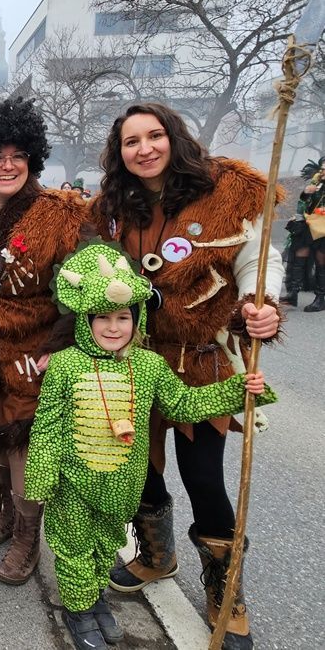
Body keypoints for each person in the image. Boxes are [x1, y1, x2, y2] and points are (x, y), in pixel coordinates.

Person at [90, 103, 284, 649]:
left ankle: (226, 594)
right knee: (139, 471)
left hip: (203, 359)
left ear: (174, 138)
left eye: (154, 136)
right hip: (134, 362)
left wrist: (259, 303)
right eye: (132, 141)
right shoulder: (109, 208)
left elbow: (257, 258)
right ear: (119, 153)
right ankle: (156, 555)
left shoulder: (225, 191)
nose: (144, 148)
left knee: (203, 479)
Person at [24, 243, 275, 650]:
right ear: (85, 321)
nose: (112, 326)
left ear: (136, 318)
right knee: (73, 547)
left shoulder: (149, 365)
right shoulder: (66, 364)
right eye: (101, 317)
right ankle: (77, 606)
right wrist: (41, 477)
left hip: (122, 484)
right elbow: (48, 426)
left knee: (106, 545)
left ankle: (94, 597)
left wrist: (238, 391)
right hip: (73, 482)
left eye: (123, 317)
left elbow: (185, 403)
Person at [0, 96, 87, 585]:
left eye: (17, 156)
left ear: (32, 158)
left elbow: (85, 283)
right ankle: (7, 512)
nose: (7, 166)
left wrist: (61, 345)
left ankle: (28, 537)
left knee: (27, 449)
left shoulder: (60, 214)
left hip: (37, 353)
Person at [280, 156, 325, 311]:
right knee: (299, 255)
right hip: (310, 224)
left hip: (323, 229)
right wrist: (306, 192)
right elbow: (304, 201)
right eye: (323, 168)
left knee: (321, 261)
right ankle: (293, 293)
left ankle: (320, 298)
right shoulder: (317, 182)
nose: (323, 171)